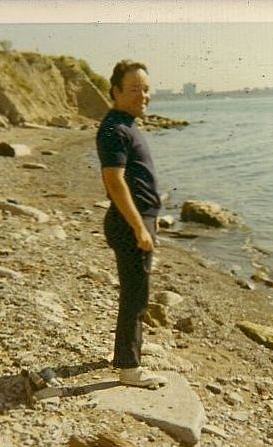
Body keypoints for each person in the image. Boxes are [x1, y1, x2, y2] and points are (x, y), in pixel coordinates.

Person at [96, 60, 167, 389]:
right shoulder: (115, 128)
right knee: (136, 297)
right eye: (135, 89)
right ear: (116, 91)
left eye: (147, 89)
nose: (144, 95)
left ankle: (126, 355)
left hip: (137, 220)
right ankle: (129, 368)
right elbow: (114, 182)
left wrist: (151, 220)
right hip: (128, 224)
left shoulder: (126, 124)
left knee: (135, 293)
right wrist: (139, 227)